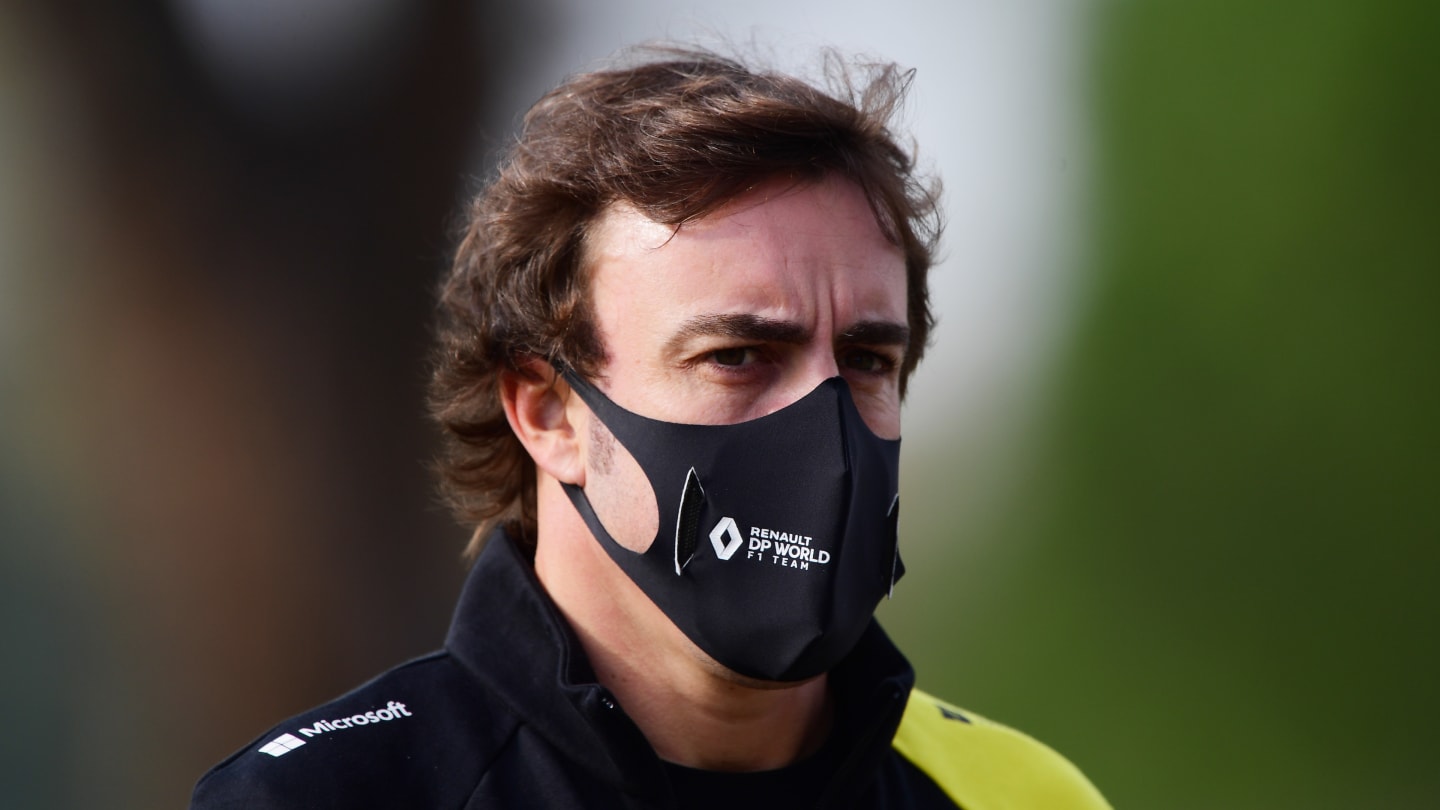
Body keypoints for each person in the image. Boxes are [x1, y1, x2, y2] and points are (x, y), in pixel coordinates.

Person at [190, 47, 1111, 810]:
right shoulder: (329, 798)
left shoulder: (1021, 796)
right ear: (547, 410)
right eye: (740, 355)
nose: (824, 431)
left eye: (868, 361)